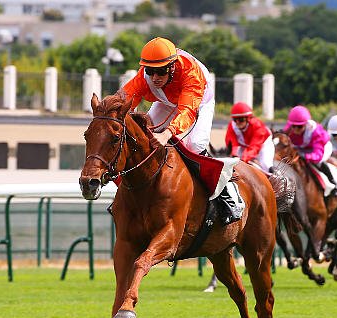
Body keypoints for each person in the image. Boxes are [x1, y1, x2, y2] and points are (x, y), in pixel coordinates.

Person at [117, 37, 242, 224]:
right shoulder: (145, 76)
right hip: (167, 101)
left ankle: (228, 197)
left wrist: (166, 134)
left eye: (161, 71)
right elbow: (123, 99)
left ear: (172, 67)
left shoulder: (190, 73)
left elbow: (187, 112)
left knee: (195, 144)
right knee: (143, 136)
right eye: (150, 71)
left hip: (197, 102)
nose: (155, 77)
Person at [283, 105, 337, 195]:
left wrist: (304, 155)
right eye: (294, 126)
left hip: (321, 148)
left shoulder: (316, 132)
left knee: (318, 162)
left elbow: (317, 156)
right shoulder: (289, 128)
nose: (296, 129)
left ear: (306, 124)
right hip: (302, 148)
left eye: (300, 127)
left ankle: (333, 183)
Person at [224, 102, 275, 173]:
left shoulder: (257, 126)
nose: (237, 122)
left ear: (248, 118)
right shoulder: (232, 126)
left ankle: (276, 176)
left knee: (265, 164)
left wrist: (243, 160)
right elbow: (233, 144)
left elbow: (254, 148)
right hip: (245, 145)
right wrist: (234, 156)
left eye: (241, 119)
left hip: (263, 144)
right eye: (235, 119)